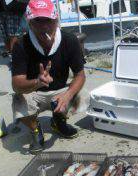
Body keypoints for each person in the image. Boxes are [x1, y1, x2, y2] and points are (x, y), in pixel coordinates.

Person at [11, 0, 86, 154]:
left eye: (49, 21)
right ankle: (35, 129)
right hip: (34, 91)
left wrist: (68, 95)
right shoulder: (20, 44)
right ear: (29, 22)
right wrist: (37, 82)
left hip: (59, 91)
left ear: (56, 20)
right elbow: (16, 84)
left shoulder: (69, 40)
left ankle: (58, 121)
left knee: (82, 95)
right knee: (18, 99)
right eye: (38, 21)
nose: (44, 26)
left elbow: (80, 74)